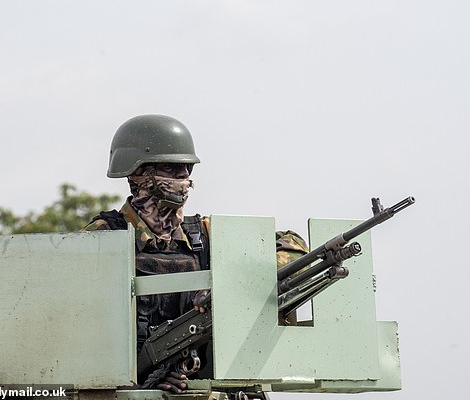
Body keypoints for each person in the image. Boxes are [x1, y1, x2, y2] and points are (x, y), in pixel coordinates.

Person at [84, 114, 308, 393]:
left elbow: (295, 248)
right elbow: (79, 327)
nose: (183, 178)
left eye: (186, 169)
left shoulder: (205, 234)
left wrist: (230, 285)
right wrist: (144, 377)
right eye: (171, 169)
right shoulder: (105, 238)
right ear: (137, 174)